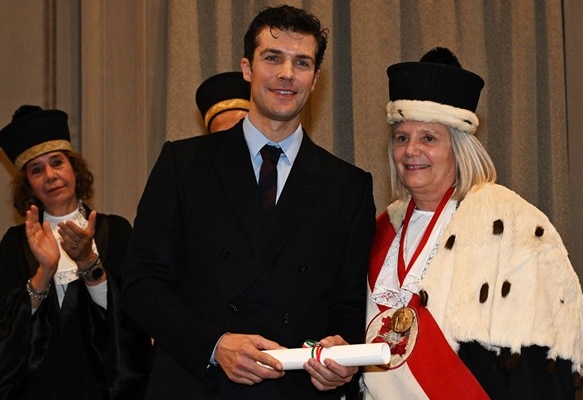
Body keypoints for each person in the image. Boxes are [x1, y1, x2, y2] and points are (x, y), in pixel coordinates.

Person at [121, 5, 375, 400]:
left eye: (301, 62)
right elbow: (140, 282)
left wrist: (342, 360)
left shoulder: (348, 186)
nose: (287, 73)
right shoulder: (182, 164)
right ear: (247, 68)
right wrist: (214, 344)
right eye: (273, 58)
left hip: (295, 391)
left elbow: (349, 305)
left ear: (315, 79)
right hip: (197, 386)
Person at [361, 48, 583, 399]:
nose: (410, 150)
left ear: (459, 148)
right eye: (402, 137)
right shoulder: (381, 229)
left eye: (428, 138)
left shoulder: (514, 224)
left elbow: (535, 369)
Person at [0, 105, 152, 399]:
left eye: (57, 162)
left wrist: (88, 263)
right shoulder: (14, 243)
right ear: (28, 185)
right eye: (36, 169)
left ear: (74, 168)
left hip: (101, 387)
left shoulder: (114, 231)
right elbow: (7, 332)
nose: (50, 176)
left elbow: (132, 317)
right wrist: (44, 271)